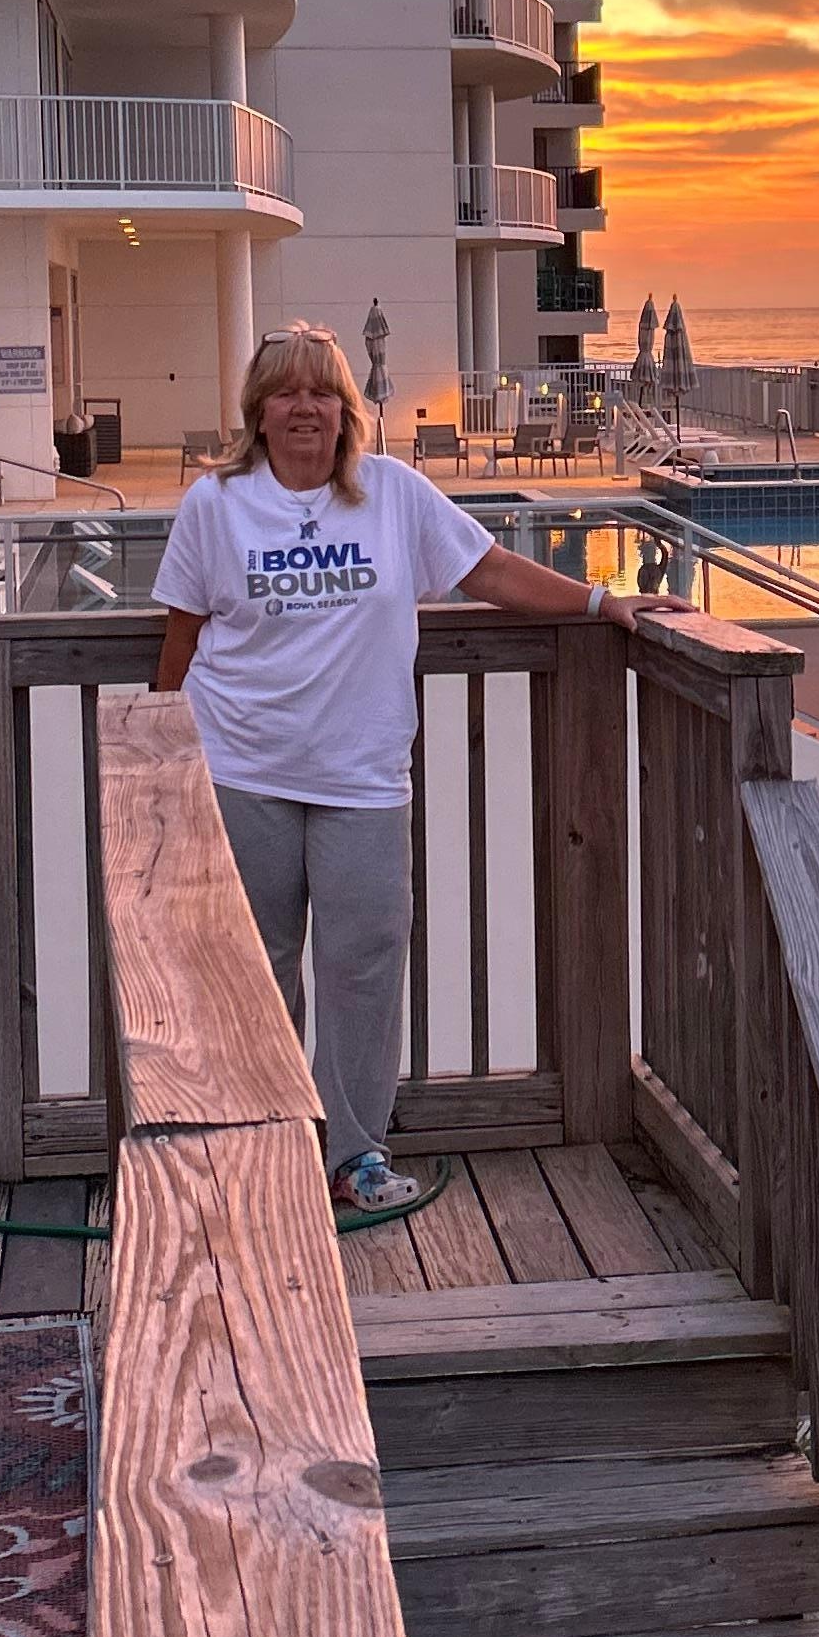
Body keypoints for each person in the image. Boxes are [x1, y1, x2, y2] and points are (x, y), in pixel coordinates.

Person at [153, 324, 675, 1218]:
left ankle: (354, 1155)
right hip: (243, 768)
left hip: (362, 778)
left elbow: (491, 570)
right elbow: (181, 638)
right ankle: (263, 1152)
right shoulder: (216, 504)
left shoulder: (394, 494)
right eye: (286, 392)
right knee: (255, 971)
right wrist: (164, 759)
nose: (306, 407)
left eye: (323, 392)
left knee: (363, 965)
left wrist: (600, 600)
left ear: (345, 411)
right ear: (258, 412)